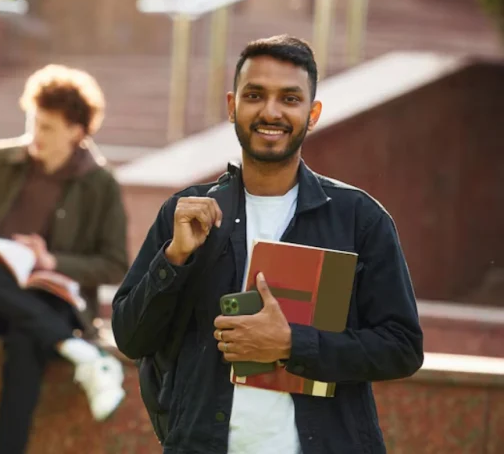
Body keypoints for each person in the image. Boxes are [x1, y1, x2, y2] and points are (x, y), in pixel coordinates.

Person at [112, 35, 424, 454]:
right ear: (232, 106)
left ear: (312, 114)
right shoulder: (186, 214)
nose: (271, 112)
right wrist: (175, 257)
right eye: (255, 95)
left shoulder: (358, 219)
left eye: (289, 98)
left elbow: (402, 347)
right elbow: (130, 338)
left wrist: (292, 345)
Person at [0, 64, 129, 454]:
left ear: (76, 132)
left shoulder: (100, 184)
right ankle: (80, 353)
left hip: (53, 301)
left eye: (47, 128)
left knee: (27, 338)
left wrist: (51, 262)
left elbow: (114, 263)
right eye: (33, 123)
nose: (34, 135)